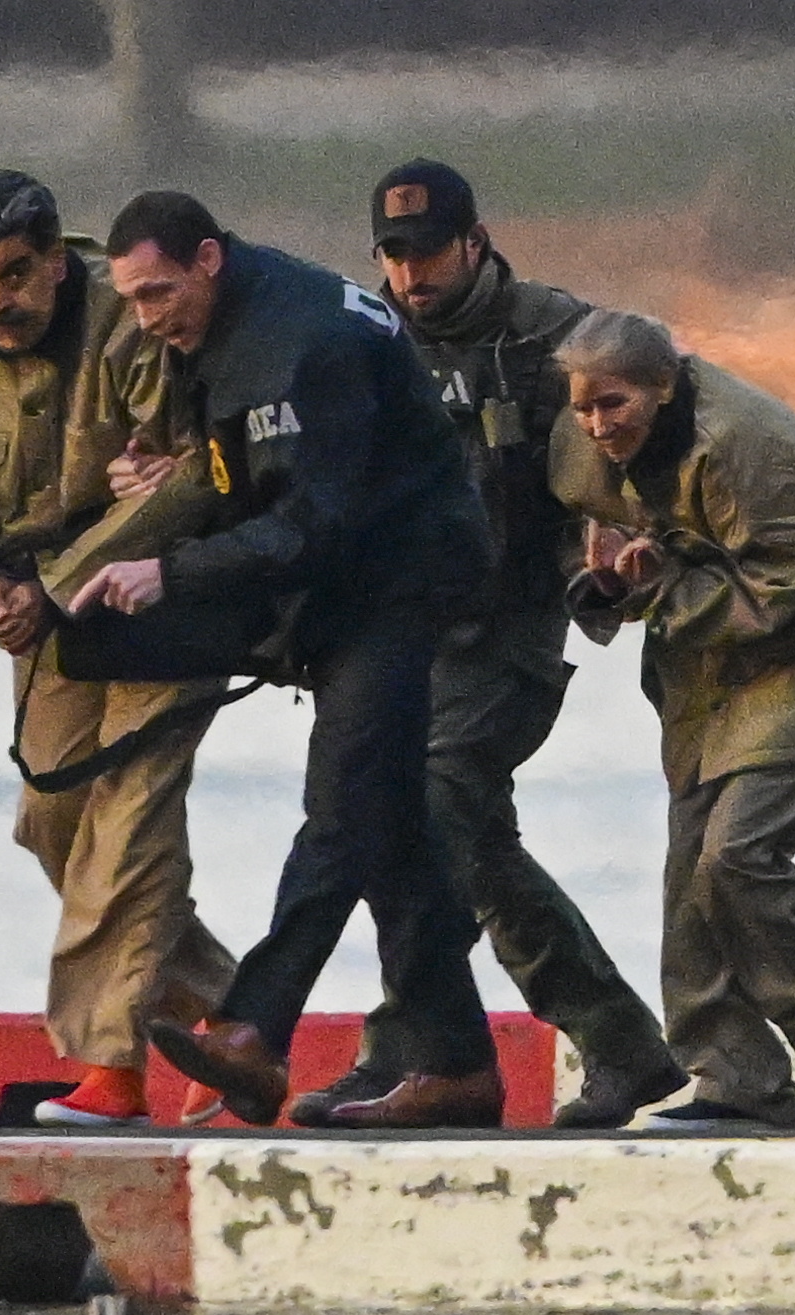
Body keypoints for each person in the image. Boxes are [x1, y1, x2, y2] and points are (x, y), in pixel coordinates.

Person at [72, 190, 502, 1129]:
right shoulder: (212, 332)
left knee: (341, 803)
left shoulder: (309, 341)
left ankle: (253, 1031)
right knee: (389, 834)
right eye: (131, 302)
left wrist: (172, 570)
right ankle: (460, 1065)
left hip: (400, 580)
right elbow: (246, 478)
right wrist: (165, 483)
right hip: (339, 587)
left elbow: (317, 522)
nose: (145, 320)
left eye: (155, 294)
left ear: (208, 260)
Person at [287, 159, 684, 1130]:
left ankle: (611, 1039)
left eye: (427, 253)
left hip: (509, 625)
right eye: (393, 254)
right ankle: (410, 1049)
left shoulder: (553, 336)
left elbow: (655, 426)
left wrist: (624, 540)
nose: (411, 274)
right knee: (381, 811)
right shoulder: (357, 340)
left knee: (446, 799)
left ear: (474, 243)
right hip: (397, 631)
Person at [0, 170, 236, 1127]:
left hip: (162, 598)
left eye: (13, 275)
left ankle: (110, 1074)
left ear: (56, 258)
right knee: (54, 820)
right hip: (37, 613)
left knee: (132, 821)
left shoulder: (131, 323)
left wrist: (55, 582)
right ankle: (235, 1016)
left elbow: (192, 479)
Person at [549, 308, 795, 1133]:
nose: (597, 426)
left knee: (739, 851)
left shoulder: (752, 445)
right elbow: (590, 535)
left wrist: (665, 583)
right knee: (689, 869)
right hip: (708, 662)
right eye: (582, 407)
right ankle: (736, 1078)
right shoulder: (579, 444)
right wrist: (609, 579)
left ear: (664, 386)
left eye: (614, 405)